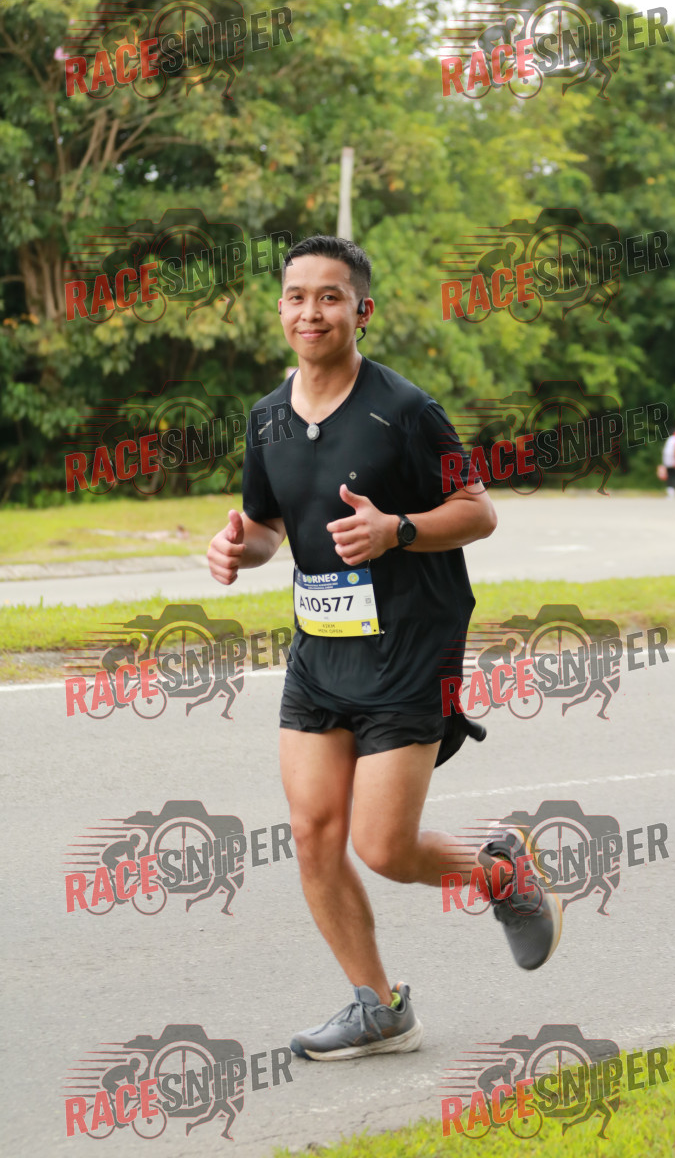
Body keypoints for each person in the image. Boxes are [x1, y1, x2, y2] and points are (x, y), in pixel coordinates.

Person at [206, 236, 562, 1062]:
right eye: (297, 296)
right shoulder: (266, 418)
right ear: (280, 308)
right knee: (312, 832)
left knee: (384, 848)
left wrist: (396, 529)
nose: (311, 312)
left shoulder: (405, 410)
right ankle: (380, 1008)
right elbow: (267, 527)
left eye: (330, 297)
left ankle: (500, 873)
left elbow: (477, 510)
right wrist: (236, 548)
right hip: (321, 652)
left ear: (361, 311)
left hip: (410, 649)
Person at [661, 431, 675, 498]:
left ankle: (670, 490)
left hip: (667, 460)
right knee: (673, 475)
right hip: (672, 460)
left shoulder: (669, 439)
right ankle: (672, 491)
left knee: (670, 475)